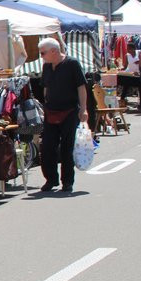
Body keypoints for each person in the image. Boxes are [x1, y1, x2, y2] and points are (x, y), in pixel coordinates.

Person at [38, 38, 88, 194]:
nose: (42, 56)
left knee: (67, 147)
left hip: (69, 110)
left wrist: (84, 109)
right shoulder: (46, 66)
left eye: (43, 53)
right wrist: (45, 104)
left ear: (54, 50)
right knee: (47, 147)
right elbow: (46, 87)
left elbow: (81, 87)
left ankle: (67, 182)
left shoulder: (72, 63)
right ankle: (51, 179)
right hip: (51, 110)